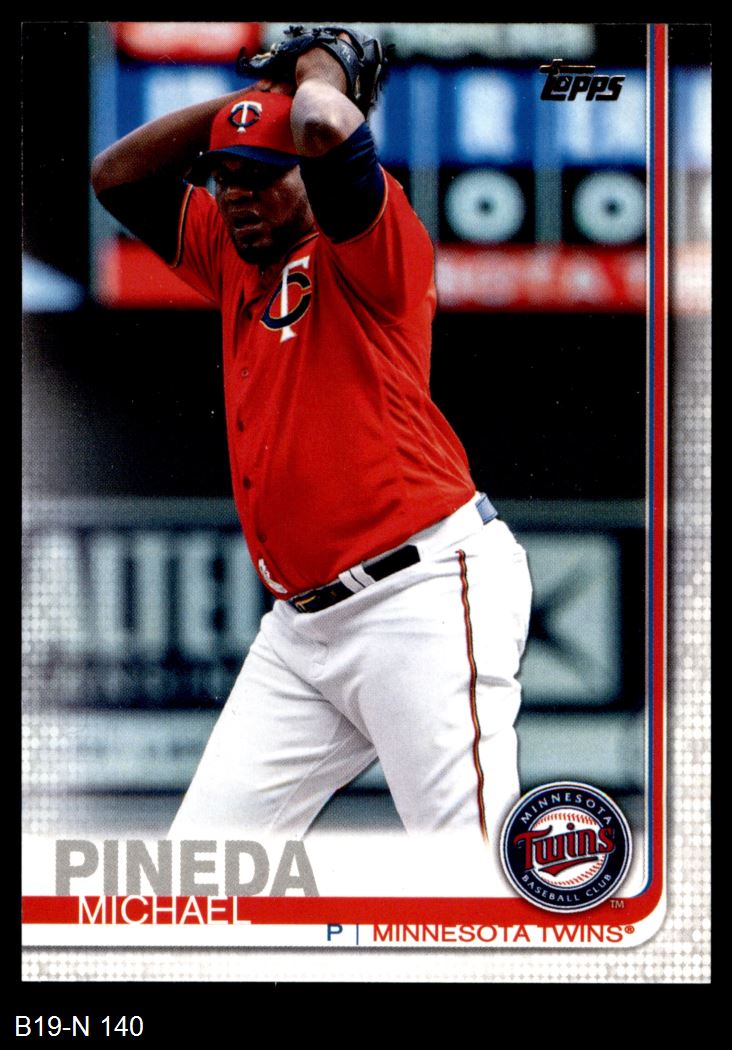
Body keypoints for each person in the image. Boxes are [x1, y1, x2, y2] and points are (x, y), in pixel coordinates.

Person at [91, 27, 532, 858]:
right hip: (301, 634)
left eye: (262, 176)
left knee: (475, 884)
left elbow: (326, 124)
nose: (237, 196)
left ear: (308, 175)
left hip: (420, 598)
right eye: (225, 177)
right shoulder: (233, 259)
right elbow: (115, 175)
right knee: (196, 878)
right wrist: (243, 111)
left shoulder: (369, 251)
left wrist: (319, 68)